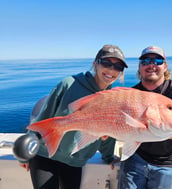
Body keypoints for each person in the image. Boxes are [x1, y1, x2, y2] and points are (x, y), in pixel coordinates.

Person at [18, 44, 128, 189]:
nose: (111, 70)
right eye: (107, 63)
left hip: (75, 162)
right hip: (44, 156)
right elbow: (42, 118)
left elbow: (108, 131)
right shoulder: (69, 84)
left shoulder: (113, 98)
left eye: (118, 67)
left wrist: (108, 157)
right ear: (95, 64)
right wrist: (26, 152)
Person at [117, 46, 172, 189]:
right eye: (146, 61)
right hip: (135, 157)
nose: (151, 65)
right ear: (140, 67)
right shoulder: (131, 94)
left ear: (165, 66)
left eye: (158, 61)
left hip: (167, 164)